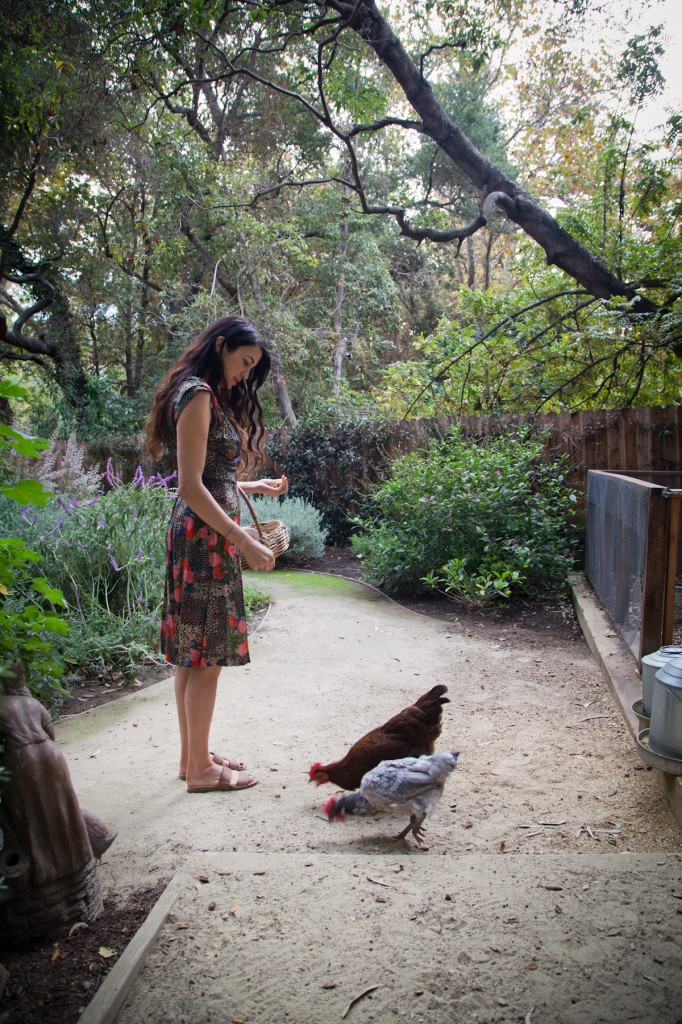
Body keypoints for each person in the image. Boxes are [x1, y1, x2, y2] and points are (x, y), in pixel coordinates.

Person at [146, 315, 288, 793]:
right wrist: (242, 537)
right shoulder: (199, 394)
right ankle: (202, 773)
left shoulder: (194, 391)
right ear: (222, 346)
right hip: (206, 539)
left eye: (252, 368)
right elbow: (189, 486)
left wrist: (251, 485)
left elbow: (207, 473)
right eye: (244, 362)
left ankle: (192, 759)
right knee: (204, 656)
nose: (245, 374)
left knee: (191, 656)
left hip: (200, 535)